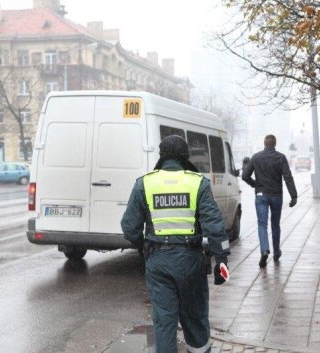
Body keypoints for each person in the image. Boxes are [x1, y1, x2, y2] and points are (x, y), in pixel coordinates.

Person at [121, 135, 230, 353]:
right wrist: (222, 260)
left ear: (161, 156)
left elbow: (129, 227)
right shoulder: (198, 182)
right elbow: (216, 227)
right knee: (195, 317)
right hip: (191, 262)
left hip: (158, 262)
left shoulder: (144, 183)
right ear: (185, 157)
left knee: (164, 321)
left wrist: (143, 246)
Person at [242, 134, 297, 268]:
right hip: (276, 195)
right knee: (275, 224)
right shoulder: (280, 157)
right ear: (275, 144)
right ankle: (277, 252)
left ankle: (264, 250)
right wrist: (293, 196)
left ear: (264, 143)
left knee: (262, 224)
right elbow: (287, 177)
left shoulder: (256, 157)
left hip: (261, 195)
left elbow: (244, 176)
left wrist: (255, 184)